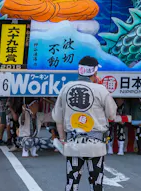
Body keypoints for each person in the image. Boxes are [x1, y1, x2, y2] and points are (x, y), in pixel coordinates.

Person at [52, 56, 118, 191]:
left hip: (73, 143)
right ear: (94, 72)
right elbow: (112, 115)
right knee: (96, 183)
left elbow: (58, 118)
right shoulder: (101, 90)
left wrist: (62, 139)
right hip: (96, 144)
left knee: (72, 183)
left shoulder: (66, 88)